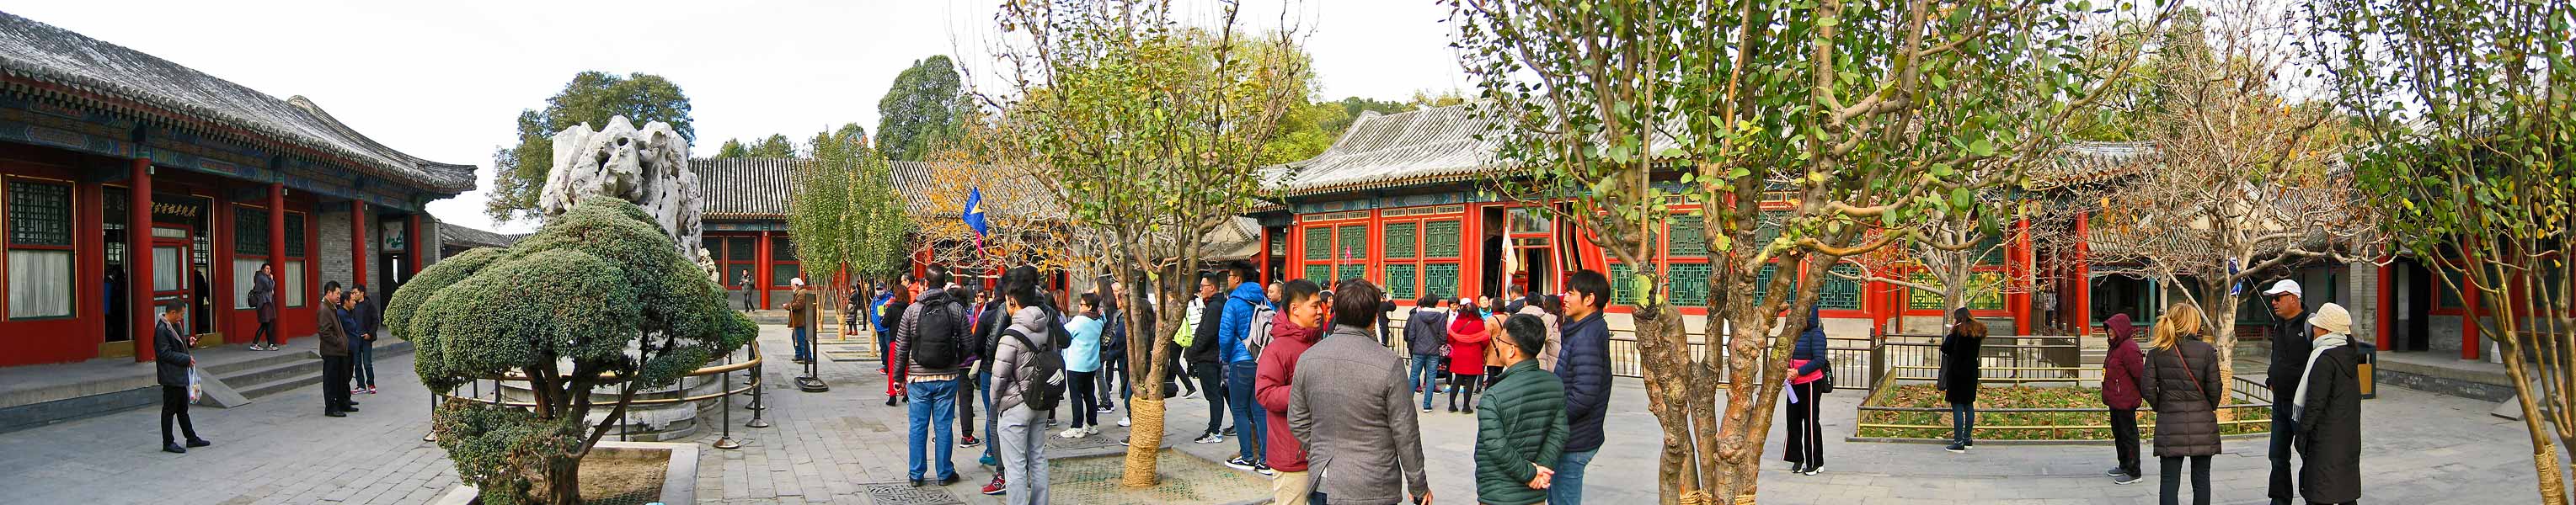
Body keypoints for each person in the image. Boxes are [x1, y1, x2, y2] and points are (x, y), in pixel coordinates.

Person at [1286, 279, 1431, 505]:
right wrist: (1418, 485)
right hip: (1373, 482)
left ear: (1336, 311)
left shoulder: (1308, 358)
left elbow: (1297, 419)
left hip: (1324, 478)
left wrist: (1321, 448)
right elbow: (1405, 431)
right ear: (1374, 316)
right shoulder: (1389, 363)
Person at [1478, 314, 1566, 505]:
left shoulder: (1493, 396)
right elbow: (1559, 433)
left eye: (1500, 339)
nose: (1498, 343)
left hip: (1499, 493)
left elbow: (1496, 446)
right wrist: (1541, 469)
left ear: (1511, 350)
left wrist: (1531, 473)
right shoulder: (1555, 384)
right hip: (1535, 491)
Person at [896, 266, 970, 487]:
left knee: (918, 426)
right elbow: (968, 344)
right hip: (947, 378)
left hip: (918, 379)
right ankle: (945, 473)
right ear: (944, 283)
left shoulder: (913, 310)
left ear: (925, 283)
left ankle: (916, 474)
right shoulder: (956, 309)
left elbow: (902, 347)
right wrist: (954, 360)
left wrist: (898, 377)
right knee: (944, 426)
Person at [1255, 279, 1328, 504]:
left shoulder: (1316, 343)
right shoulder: (1277, 349)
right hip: (1292, 454)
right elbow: (1265, 394)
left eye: (1320, 305)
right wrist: (1304, 392)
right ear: (1295, 309)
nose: (1320, 311)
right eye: (1314, 306)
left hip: (1319, 451)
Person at [2143, 302, 2221, 505]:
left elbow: (2147, 388)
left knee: (2169, 480)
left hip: (2170, 422)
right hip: (2202, 422)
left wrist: (2161, 405)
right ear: (2193, 323)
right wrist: (2207, 407)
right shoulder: (2206, 351)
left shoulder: (2157, 352)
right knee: (2202, 478)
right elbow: (2215, 389)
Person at [990, 284, 1055, 504]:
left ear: (1012, 301)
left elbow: (999, 377)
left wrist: (995, 402)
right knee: (1038, 458)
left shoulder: (1010, 336)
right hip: (1041, 401)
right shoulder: (1046, 329)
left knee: (1015, 465)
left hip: (1015, 405)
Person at [1553, 268, 1614, 505]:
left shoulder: (1586, 337)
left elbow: (1583, 397)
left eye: (1571, 293)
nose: (1565, 298)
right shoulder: (1583, 329)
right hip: (1575, 434)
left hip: (1575, 438)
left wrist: (1553, 418)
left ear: (1589, 299)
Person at [2295, 303, 2362, 505]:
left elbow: (2316, 403)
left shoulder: (2324, 359)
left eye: (2316, 326)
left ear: (2326, 330)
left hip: (2325, 440)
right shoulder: (2348, 354)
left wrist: (2302, 433)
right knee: (2345, 493)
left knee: (2320, 494)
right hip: (2347, 437)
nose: (2313, 330)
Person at [2261, 279, 2315, 505]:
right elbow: (2277, 359)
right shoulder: (2278, 325)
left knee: (2308, 454)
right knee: (2277, 455)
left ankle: (2314, 497)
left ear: (2294, 298)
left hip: (2301, 404)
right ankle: (2280, 499)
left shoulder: (2312, 325)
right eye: (2272, 299)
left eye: (2278, 297)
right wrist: (2270, 379)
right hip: (2279, 402)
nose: (2273, 302)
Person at [1216, 261, 1271, 474]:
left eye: (1229, 276)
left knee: (1239, 410)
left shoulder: (1233, 303)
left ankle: (1247, 456)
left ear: (1237, 278)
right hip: (1262, 360)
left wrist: (1226, 357)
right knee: (1260, 411)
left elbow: (1225, 336)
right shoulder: (1264, 299)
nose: (1228, 280)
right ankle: (1265, 460)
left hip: (1241, 361)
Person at [154, 301, 211, 454]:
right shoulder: (162, 329)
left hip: (178, 374)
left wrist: (188, 343)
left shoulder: (173, 326)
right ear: (173, 312)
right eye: (181, 314)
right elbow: (165, 353)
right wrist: (186, 359)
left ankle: (191, 437)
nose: (182, 317)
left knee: (182, 409)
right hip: (170, 375)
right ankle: (168, 442)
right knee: (169, 410)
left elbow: (176, 346)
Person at [1183, 272, 1229, 444]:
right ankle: (1213, 428)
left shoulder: (1215, 307)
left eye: (1203, 286)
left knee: (1213, 394)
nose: (1200, 289)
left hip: (1209, 357)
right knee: (1214, 394)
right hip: (1210, 355)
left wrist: (1194, 351)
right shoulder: (1214, 304)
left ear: (1212, 287)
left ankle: (1215, 430)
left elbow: (1207, 333)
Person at [2101, 313, 2147, 485]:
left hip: (2125, 400)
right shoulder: (2114, 347)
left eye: (2112, 328)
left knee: (2129, 435)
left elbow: (2140, 375)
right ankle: (2124, 464)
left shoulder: (2129, 348)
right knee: (2119, 434)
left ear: (2121, 329)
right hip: (2115, 399)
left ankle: (2134, 471)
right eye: (2108, 328)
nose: (2109, 331)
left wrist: (2147, 394)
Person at [1783, 307, 1830, 476]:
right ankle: (1797, 458)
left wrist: (1799, 372)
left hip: (1810, 383)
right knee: (1793, 421)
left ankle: (1816, 462)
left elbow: (1819, 360)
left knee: (1810, 422)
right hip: (1793, 383)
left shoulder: (1817, 334)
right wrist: (1787, 369)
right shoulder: (1793, 333)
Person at [1938, 307, 1987, 453]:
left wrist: (1950, 334)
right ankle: (1967, 438)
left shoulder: (1957, 332)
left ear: (1958, 318)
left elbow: (1945, 348)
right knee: (1969, 405)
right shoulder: (1977, 331)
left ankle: (1958, 442)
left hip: (1957, 372)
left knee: (1958, 406)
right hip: (1971, 371)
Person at [1059, 294, 1106, 439]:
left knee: (1076, 397)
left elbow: (1064, 332)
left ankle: (1077, 426)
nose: (1079, 307)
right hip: (1091, 363)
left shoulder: (1079, 321)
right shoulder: (1099, 320)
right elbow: (1105, 318)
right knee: (1089, 395)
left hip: (1076, 364)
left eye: (1082, 305)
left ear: (1089, 307)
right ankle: (1092, 424)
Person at [1404, 295, 1452, 411]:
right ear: (1436, 303)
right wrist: (1438, 345)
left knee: (1414, 376)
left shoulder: (1417, 316)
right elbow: (1443, 336)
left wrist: (1413, 347)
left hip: (1418, 350)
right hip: (1433, 351)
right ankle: (1427, 405)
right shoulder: (1441, 317)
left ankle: (1407, 404)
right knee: (1431, 378)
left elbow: (1411, 335)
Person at [1446, 300, 1493, 413]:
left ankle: (1452, 405)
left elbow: (1450, 338)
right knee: (1470, 382)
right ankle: (1466, 407)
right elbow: (1485, 340)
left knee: (1457, 379)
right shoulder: (1479, 322)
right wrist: (1479, 348)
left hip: (1459, 353)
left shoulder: (1458, 321)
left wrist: (1458, 345)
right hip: (1474, 354)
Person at [316, 283, 355, 417]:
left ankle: (342, 403)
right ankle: (331, 408)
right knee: (331, 380)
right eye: (337, 293)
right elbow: (325, 332)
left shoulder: (331, 307)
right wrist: (339, 342)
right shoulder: (324, 309)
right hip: (331, 351)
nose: (339, 296)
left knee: (340, 379)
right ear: (329, 293)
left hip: (337, 351)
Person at [347, 285, 382, 395]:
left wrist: (370, 334)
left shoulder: (369, 305)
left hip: (366, 339)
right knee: (357, 364)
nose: (354, 295)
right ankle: (361, 385)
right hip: (355, 339)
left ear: (362, 293)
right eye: (352, 293)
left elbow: (375, 321)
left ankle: (371, 384)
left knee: (367, 363)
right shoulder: (352, 306)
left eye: (355, 293)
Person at [883, 286, 913, 407]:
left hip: (895, 341)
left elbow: (884, 323)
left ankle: (892, 395)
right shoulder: (910, 308)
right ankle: (906, 394)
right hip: (908, 342)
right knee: (907, 368)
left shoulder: (892, 308)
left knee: (893, 369)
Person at [249, 263, 279, 351]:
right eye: (267, 269)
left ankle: (270, 344)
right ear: (262, 270)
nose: (269, 270)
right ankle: (256, 344)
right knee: (265, 324)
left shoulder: (263, 277)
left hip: (267, 303)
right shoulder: (261, 277)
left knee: (268, 324)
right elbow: (270, 286)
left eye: (269, 269)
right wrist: (271, 279)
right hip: (264, 303)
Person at [787, 278, 815, 364]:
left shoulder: (802, 293)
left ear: (797, 285)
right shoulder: (800, 292)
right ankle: (799, 355)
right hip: (799, 320)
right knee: (795, 337)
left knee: (801, 339)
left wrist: (788, 306)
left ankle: (808, 357)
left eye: (792, 285)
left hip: (801, 321)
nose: (791, 287)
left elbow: (799, 305)